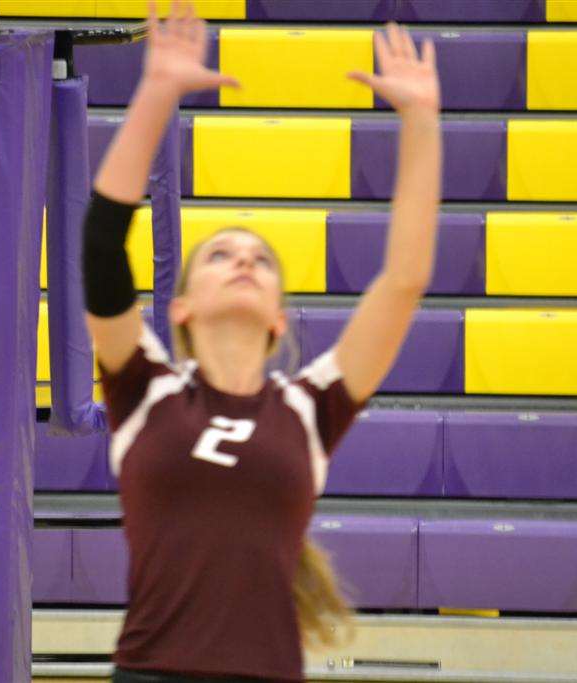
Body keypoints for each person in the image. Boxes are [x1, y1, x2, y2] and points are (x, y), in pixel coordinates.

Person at [81, 1, 441, 681]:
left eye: (261, 260)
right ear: (181, 306)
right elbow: (101, 246)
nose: (244, 259)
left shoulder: (308, 408)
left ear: (279, 317)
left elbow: (404, 281)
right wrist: (156, 92)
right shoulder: (145, 388)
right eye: (221, 254)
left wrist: (422, 122)